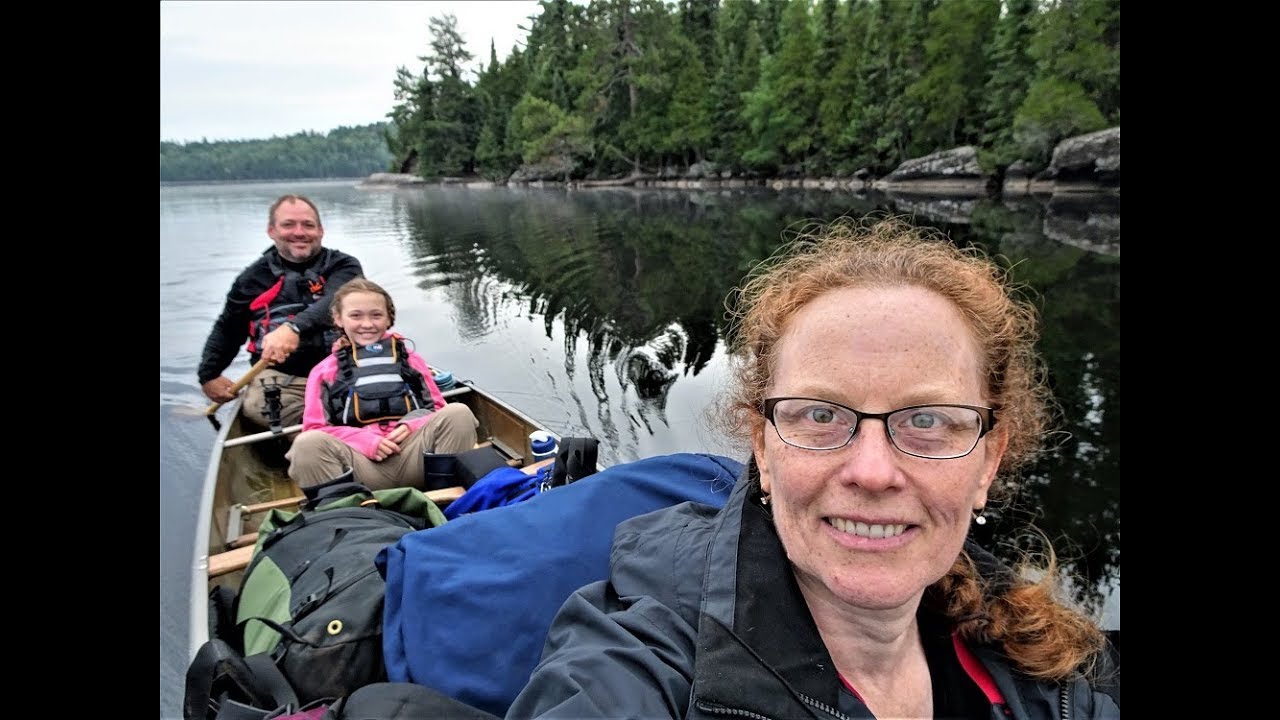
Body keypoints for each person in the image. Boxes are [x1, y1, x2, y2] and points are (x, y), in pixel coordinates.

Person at [506, 217, 1120, 719]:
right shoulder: (644, 657)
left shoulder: (1051, 674)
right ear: (763, 450)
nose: (874, 472)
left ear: (988, 460)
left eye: (928, 420)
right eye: (821, 415)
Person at [287, 278, 479, 492]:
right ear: (339, 319)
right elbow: (315, 428)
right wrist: (365, 440)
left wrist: (410, 425)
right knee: (307, 444)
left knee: (458, 413)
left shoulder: (411, 360)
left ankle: (449, 499)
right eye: (356, 315)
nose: (367, 324)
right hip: (361, 468)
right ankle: (349, 514)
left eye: (376, 315)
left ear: (389, 318)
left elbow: (437, 409)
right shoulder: (323, 371)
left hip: (414, 458)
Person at [197, 194, 364, 430]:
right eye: (288, 225)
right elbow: (228, 329)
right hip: (285, 381)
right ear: (271, 231)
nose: (299, 232)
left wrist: (293, 328)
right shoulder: (251, 279)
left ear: (320, 231)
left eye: (308, 225)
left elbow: (339, 302)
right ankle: (321, 435)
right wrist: (209, 374)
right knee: (257, 407)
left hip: (346, 370)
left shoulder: (344, 266)